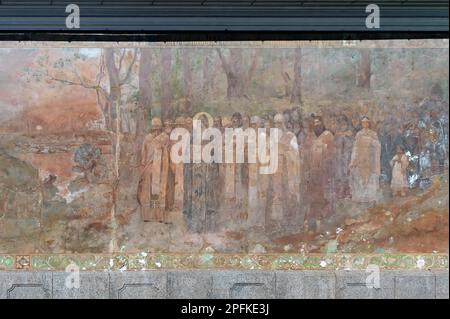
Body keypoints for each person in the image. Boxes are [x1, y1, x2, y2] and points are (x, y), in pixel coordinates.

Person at [269, 113, 301, 227]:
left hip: (288, 171)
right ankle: (279, 223)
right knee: (277, 194)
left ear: (284, 123)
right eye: (276, 123)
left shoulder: (290, 136)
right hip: (276, 171)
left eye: (280, 123)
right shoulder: (272, 137)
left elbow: (295, 154)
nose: (277, 125)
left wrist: (286, 151)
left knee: (289, 193)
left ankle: (291, 221)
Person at [305, 115, 336, 230]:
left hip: (324, 174)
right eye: (315, 124)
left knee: (325, 199)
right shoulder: (310, 138)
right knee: (313, 200)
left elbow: (331, 155)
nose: (316, 125)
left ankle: (325, 226)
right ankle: (313, 226)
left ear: (322, 124)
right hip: (312, 175)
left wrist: (327, 171)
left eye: (318, 123)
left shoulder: (328, 136)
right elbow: (306, 155)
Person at [137, 117, 170, 222]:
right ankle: (148, 215)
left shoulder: (165, 137)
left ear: (160, 127)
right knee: (147, 191)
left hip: (160, 167)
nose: (156, 129)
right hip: (149, 167)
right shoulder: (147, 138)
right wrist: (143, 164)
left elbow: (167, 152)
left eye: (158, 127)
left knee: (158, 190)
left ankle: (158, 215)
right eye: (154, 127)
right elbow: (144, 152)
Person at [349, 116, 381, 203]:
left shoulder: (373, 134)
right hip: (360, 159)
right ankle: (360, 198)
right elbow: (355, 148)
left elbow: (378, 146)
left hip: (370, 159)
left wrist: (370, 140)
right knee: (359, 177)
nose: (365, 124)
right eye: (363, 122)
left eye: (366, 122)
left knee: (370, 177)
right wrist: (353, 160)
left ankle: (370, 198)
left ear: (369, 123)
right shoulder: (359, 134)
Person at [334, 115, 354, 199]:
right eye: (341, 125)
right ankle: (340, 191)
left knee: (347, 175)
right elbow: (335, 145)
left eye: (344, 124)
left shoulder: (349, 135)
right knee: (339, 175)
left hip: (347, 157)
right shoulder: (337, 135)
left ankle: (347, 192)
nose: (343, 126)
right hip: (339, 158)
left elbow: (351, 146)